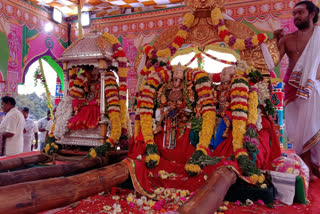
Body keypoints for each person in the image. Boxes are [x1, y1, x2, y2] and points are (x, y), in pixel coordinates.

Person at [275, 1, 320, 179]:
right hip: (293, 91)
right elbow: (273, 62)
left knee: (314, 128)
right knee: (298, 133)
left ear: (312, 14)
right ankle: (306, 170)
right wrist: (273, 41)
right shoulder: (287, 39)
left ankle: (314, 167)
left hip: (316, 90)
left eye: (300, 13)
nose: (296, 17)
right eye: (294, 14)